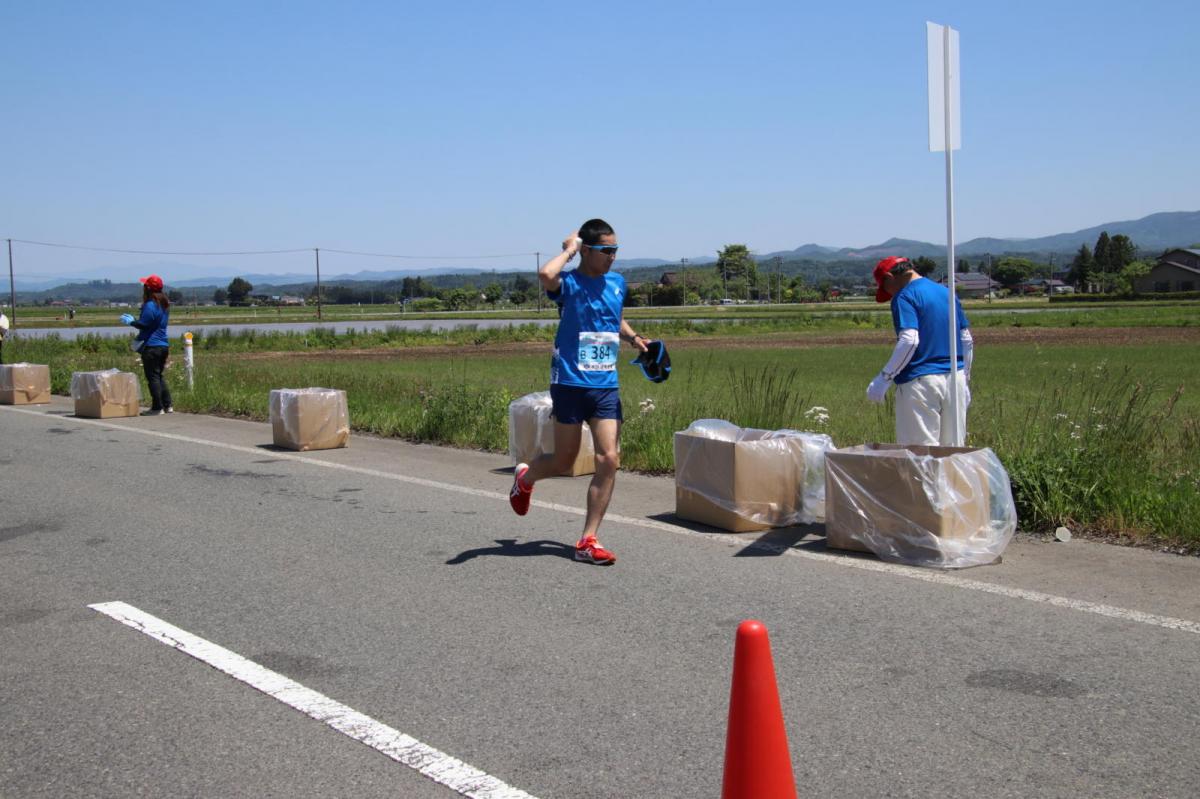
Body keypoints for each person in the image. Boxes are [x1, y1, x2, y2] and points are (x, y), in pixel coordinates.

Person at [508, 219, 650, 565]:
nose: (612, 257)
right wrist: (569, 250)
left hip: (605, 385)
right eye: (606, 250)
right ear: (586, 250)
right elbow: (546, 275)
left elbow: (613, 318)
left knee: (608, 459)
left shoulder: (617, 283)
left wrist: (634, 339)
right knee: (564, 460)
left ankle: (588, 540)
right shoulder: (568, 283)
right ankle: (526, 478)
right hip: (570, 382)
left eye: (616, 250)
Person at [866, 256, 974, 445]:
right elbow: (966, 339)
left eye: (885, 288)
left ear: (889, 277)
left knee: (919, 453)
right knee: (954, 450)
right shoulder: (947, 292)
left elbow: (910, 340)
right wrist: (965, 377)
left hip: (920, 382)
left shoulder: (904, 296)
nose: (889, 294)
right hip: (954, 378)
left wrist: (884, 378)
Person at [121, 274, 174, 416]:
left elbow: (144, 324)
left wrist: (131, 322)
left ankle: (157, 407)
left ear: (148, 289)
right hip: (163, 345)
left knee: (152, 377)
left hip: (151, 346)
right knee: (158, 375)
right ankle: (167, 405)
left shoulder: (151, 304)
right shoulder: (164, 304)